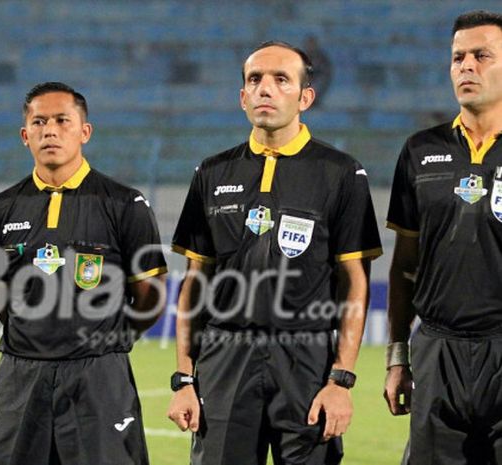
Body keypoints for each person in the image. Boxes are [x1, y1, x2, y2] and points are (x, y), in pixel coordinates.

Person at [167, 41, 382, 465]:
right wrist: (183, 378)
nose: (265, 89)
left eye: (281, 79)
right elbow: (195, 281)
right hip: (225, 358)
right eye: (254, 80)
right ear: (242, 96)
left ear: (305, 97)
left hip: (306, 359)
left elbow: (354, 282)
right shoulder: (211, 172)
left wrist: (341, 378)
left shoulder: (340, 172)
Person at [0, 81, 167, 465]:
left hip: (99, 378)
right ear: (25, 135)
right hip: (20, 376)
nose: (50, 131)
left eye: (62, 120)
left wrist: (111, 339)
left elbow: (150, 293)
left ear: (84, 131)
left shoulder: (125, 204)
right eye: (39, 122)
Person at [384, 10, 502, 464]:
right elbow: (404, 264)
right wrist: (397, 356)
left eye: (480, 56)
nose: (466, 66)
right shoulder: (420, 150)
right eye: (457, 58)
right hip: (437, 351)